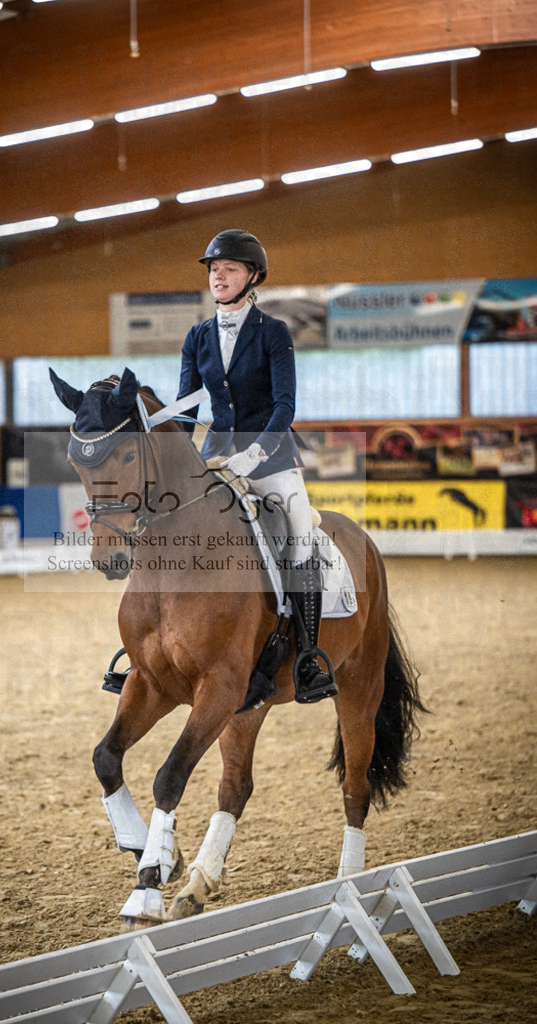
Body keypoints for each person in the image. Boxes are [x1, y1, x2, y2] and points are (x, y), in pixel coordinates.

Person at [177, 228, 337, 704]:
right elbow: (187, 408)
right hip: (216, 456)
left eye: (228, 268)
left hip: (270, 458)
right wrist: (177, 460)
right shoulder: (197, 336)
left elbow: (285, 405)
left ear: (252, 276)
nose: (218, 276)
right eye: (213, 269)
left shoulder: (273, 332)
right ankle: (154, 648)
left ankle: (308, 657)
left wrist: (258, 452)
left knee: (299, 532)